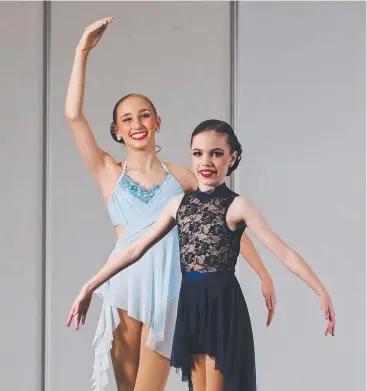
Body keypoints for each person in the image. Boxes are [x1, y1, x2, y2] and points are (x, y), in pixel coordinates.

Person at [65, 17, 276, 391]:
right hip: (125, 287)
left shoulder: (182, 175)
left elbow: (224, 225)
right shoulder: (108, 173)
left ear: (158, 121)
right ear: (116, 130)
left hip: (170, 292)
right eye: (126, 119)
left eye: (144, 114)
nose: (137, 123)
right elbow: (73, 115)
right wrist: (82, 51)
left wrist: (261, 272)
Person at [67, 119, 336, 391]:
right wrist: (89, 286)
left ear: (232, 158)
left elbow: (284, 252)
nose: (206, 161)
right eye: (198, 153)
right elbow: (134, 249)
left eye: (216, 153)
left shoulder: (237, 205)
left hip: (222, 308)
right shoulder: (178, 204)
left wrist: (321, 290)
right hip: (191, 306)